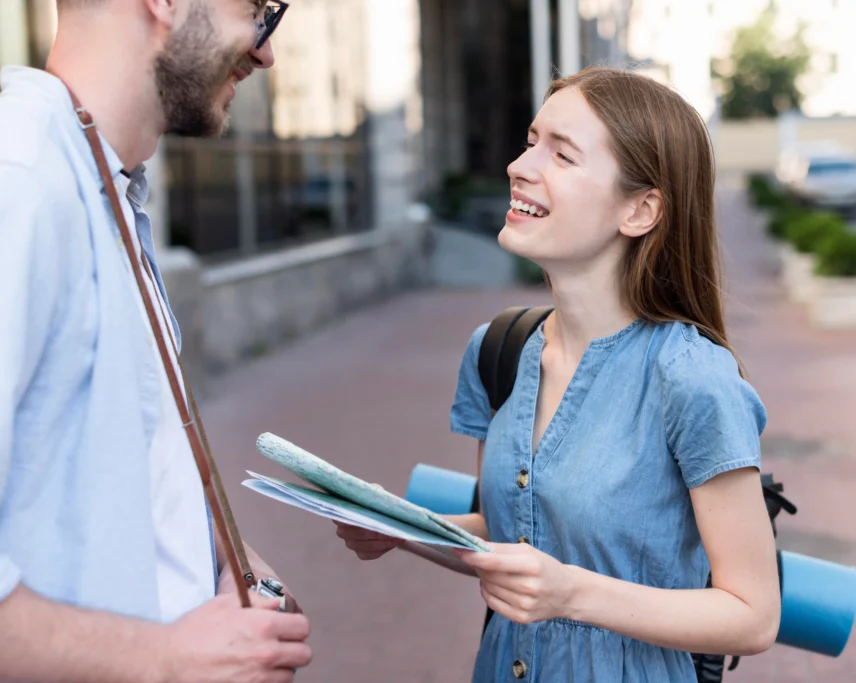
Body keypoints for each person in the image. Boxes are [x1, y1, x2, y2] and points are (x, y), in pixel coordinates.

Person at [334, 67, 781, 682]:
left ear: (640, 209)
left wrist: (571, 594)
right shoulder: (497, 350)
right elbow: (508, 533)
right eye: (531, 140)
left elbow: (753, 615)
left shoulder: (692, 379)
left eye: (562, 155)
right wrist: (401, 526)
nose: (521, 165)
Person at [0, 1, 312, 682]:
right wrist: (167, 658)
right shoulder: (3, 190)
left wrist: (231, 571)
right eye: (257, 9)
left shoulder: (102, 185)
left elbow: (130, 461)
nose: (266, 52)